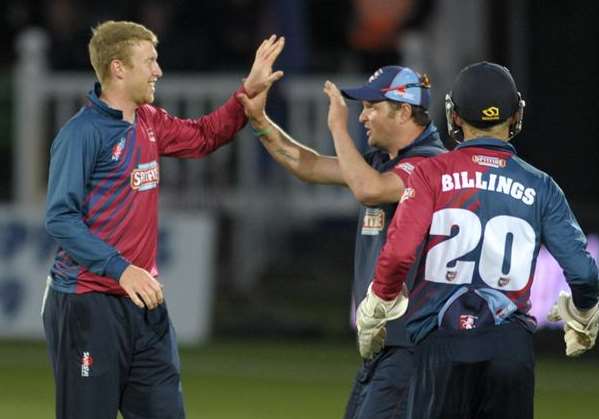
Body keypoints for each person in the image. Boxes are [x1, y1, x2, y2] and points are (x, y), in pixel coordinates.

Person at [42, 20, 284, 419]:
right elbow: (61, 218)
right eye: (150, 61)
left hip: (145, 303)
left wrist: (248, 91)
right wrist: (121, 270)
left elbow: (205, 135)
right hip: (89, 304)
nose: (158, 70)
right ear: (118, 68)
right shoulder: (81, 135)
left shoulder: (149, 121)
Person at [356, 61, 599, 419]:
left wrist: (375, 309)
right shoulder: (541, 186)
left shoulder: (429, 173)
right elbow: (583, 272)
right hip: (509, 348)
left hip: (439, 343)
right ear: (515, 114)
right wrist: (584, 313)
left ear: (454, 116)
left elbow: (398, 256)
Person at [237, 65, 446, 419]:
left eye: (371, 107)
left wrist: (337, 127)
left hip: (412, 346)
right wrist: (259, 121)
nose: (362, 117)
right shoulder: (383, 162)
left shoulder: (429, 164)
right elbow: (311, 166)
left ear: (405, 111)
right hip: (385, 347)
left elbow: (369, 190)